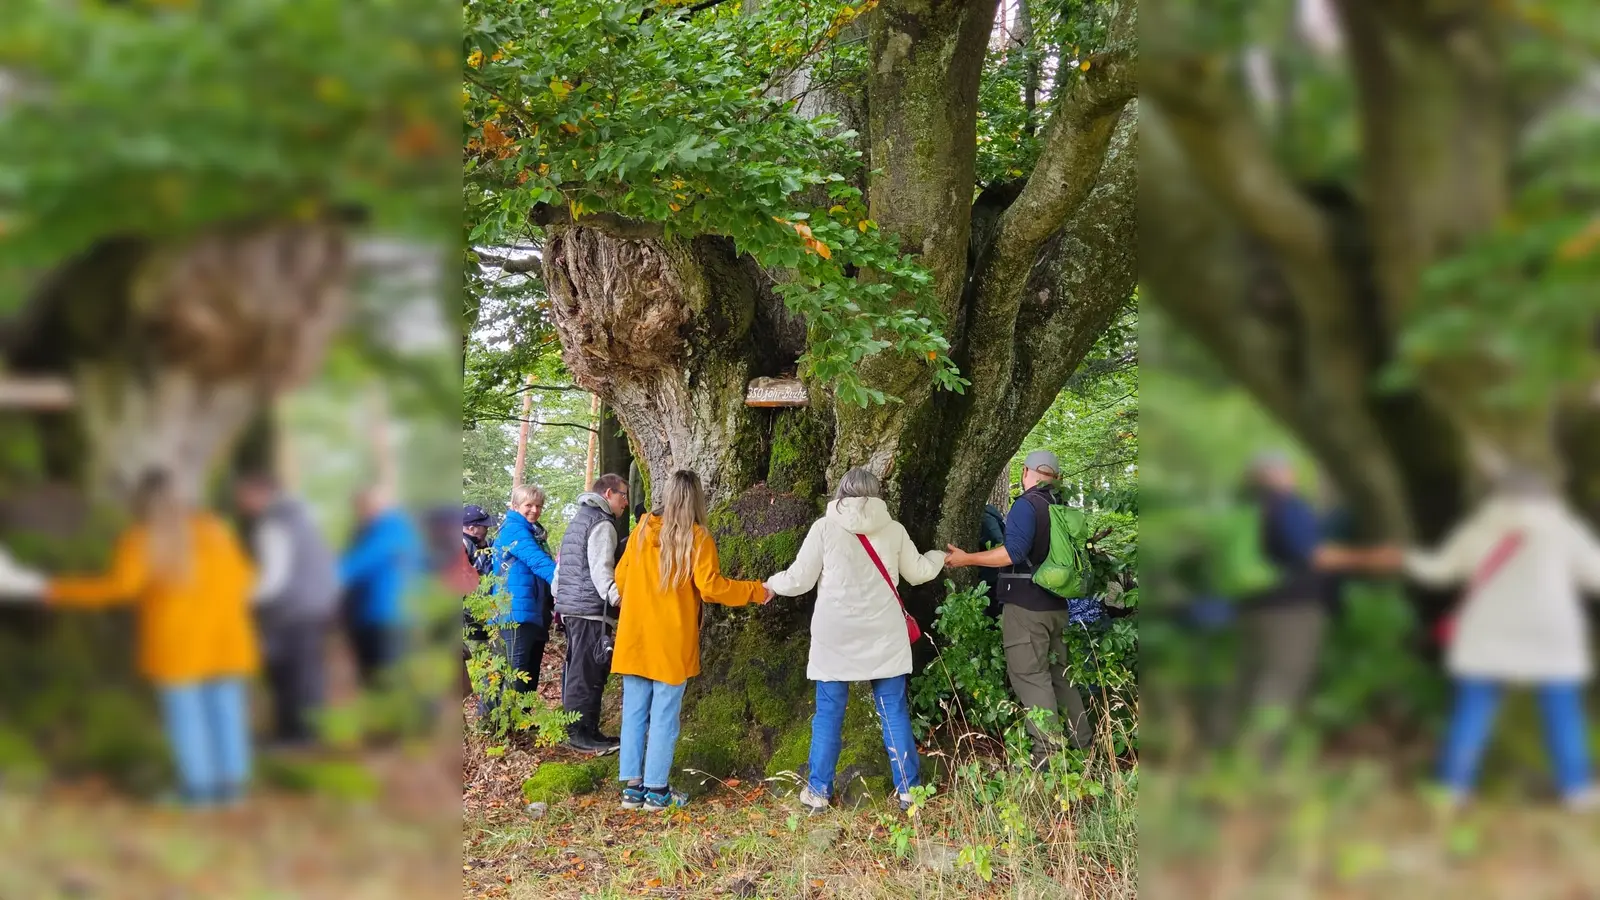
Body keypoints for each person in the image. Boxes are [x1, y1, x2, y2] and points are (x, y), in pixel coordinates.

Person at [1364, 467, 1600, 810]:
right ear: (1549, 498)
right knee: (1562, 714)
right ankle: (1577, 790)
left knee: (1472, 711)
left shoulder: (1479, 530)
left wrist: (1406, 558)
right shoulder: (1565, 531)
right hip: (1552, 634)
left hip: (1487, 632)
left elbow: (1439, 572)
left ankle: (1451, 788)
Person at [45, 470, 260, 806]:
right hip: (227, 638)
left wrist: (57, 590)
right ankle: (233, 788)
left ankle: (199, 789)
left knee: (186, 716)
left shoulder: (142, 539)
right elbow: (246, 577)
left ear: (141, 503)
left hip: (177, 644)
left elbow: (118, 588)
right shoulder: (216, 530)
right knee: (226, 710)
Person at [766, 467, 946, 814]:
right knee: (893, 710)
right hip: (885, 635)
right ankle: (910, 790)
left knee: (829, 713)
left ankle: (818, 791)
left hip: (837, 637)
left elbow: (800, 580)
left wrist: (772, 584)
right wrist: (941, 556)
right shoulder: (893, 530)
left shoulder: (824, 528)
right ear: (876, 494)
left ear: (841, 494)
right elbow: (919, 572)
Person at [611, 470, 770, 811]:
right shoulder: (698, 538)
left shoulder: (640, 531)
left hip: (635, 637)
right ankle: (657, 791)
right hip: (671, 640)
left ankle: (632, 790)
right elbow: (712, 588)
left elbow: (621, 579)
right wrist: (757, 590)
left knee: (635, 713)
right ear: (697, 498)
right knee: (665, 717)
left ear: (666, 496)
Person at [946, 450, 1092, 756]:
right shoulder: (1059, 505)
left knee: (1030, 676)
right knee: (1060, 676)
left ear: (1026, 472)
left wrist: (966, 559)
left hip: (1026, 609)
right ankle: (1083, 745)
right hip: (1056, 606)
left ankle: (1047, 757)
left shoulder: (1028, 505)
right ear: (1056, 476)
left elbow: (1012, 553)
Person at [235, 471, 341, 749]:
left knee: (290, 674)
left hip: (291, 611)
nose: (241, 504)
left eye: (244, 496)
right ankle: (308, 732)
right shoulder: (303, 517)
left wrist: (241, 600)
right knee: (308, 673)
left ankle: (295, 736)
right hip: (316, 606)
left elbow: (273, 578)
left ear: (259, 493)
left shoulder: (273, 524)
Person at [553, 473, 630, 753]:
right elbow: (601, 568)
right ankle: (580, 734)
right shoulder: (601, 522)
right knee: (588, 672)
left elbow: (560, 570)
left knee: (579, 669)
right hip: (590, 609)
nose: (626, 502)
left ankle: (587, 730)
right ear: (609, 493)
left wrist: (559, 597)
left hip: (573, 606)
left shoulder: (579, 519)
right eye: (623, 495)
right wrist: (618, 598)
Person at [338, 485, 422, 690]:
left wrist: (322, 579)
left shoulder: (391, 530)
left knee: (388, 680)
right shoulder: (380, 530)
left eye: (363, 508)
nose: (360, 514)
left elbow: (356, 565)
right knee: (378, 678)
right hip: (378, 618)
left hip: (388, 618)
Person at [487, 485, 558, 710]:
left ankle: (522, 720)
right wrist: (568, 584)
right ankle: (503, 727)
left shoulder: (533, 532)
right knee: (516, 671)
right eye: (529, 505)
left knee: (529, 670)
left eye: (538, 506)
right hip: (514, 611)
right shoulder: (514, 530)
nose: (534, 510)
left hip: (532, 610)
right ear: (515, 506)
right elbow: (538, 562)